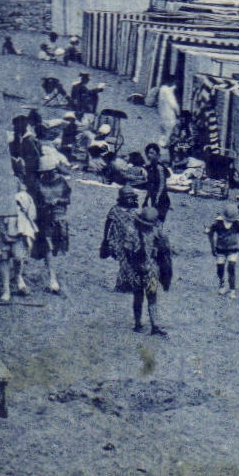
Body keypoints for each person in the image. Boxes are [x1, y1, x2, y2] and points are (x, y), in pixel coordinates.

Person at [101, 202, 172, 335]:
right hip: (150, 270)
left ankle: (139, 323)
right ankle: (154, 324)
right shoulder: (156, 232)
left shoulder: (132, 231)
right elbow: (164, 252)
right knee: (151, 298)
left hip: (138, 270)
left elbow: (128, 252)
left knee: (139, 297)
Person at [32, 146, 72, 295]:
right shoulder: (39, 184)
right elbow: (37, 202)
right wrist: (45, 205)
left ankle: (55, 276)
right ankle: (52, 278)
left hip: (60, 217)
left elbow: (67, 199)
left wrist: (58, 200)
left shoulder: (62, 182)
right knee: (48, 246)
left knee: (58, 247)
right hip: (45, 218)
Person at [0, 178, 38, 302]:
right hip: (3, 229)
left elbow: (31, 215)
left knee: (18, 257)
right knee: (4, 259)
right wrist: (2, 231)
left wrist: (23, 206)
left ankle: (18, 277)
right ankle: (6, 290)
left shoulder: (22, 196)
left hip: (19, 231)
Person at [206, 203, 239, 298]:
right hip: (220, 249)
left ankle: (232, 289)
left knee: (231, 267)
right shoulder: (218, 222)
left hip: (233, 249)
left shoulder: (237, 223)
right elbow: (210, 233)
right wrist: (212, 247)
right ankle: (222, 283)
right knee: (220, 267)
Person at [140, 143, 173, 221]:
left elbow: (162, 184)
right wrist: (146, 199)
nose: (149, 155)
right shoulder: (150, 167)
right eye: (147, 153)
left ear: (157, 154)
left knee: (157, 222)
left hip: (162, 199)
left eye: (152, 153)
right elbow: (150, 185)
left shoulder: (159, 168)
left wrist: (157, 198)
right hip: (154, 197)